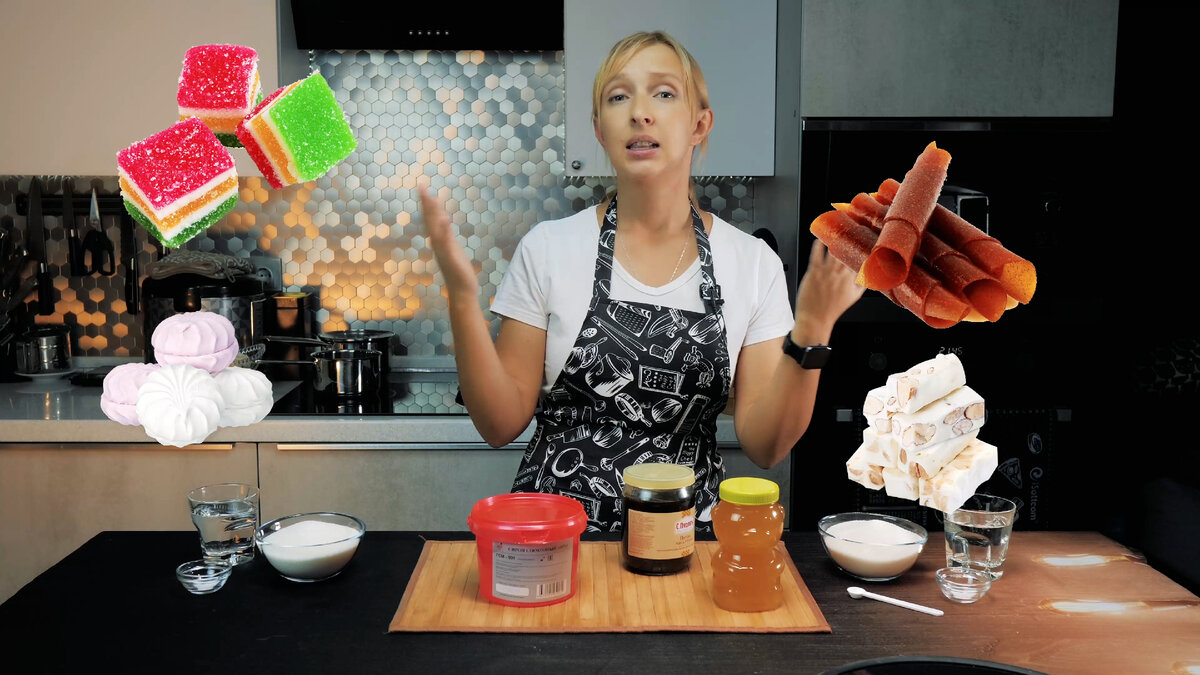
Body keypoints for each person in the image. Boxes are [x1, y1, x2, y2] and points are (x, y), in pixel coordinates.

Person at [418, 31, 863, 532]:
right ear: (599, 129)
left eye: (664, 93)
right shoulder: (548, 249)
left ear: (699, 124)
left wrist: (812, 330)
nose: (640, 112)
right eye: (618, 96)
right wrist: (461, 299)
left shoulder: (752, 263)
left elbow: (766, 446)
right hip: (556, 542)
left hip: (687, 542)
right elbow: (499, 425)